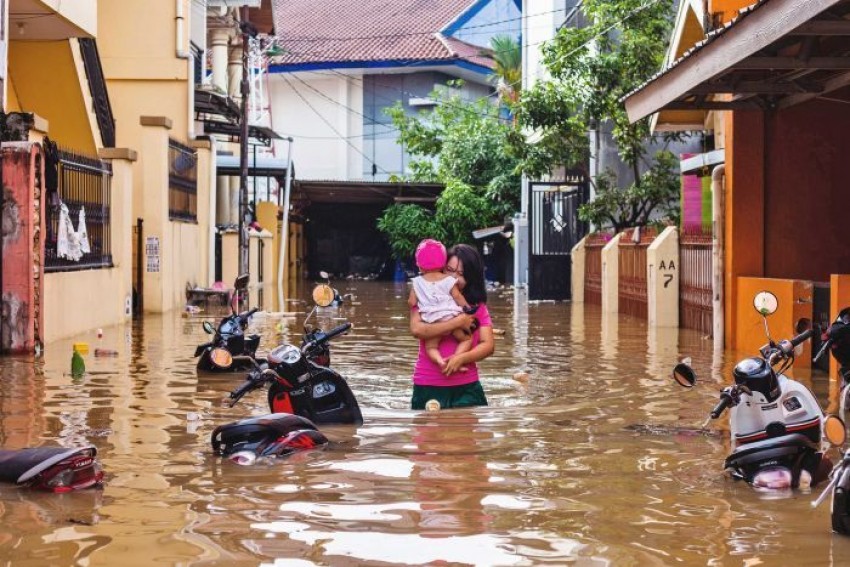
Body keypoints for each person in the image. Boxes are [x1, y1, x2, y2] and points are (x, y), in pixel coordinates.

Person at [408, 243, 494, 410]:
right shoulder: (424, 299)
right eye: (449, 270)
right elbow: (417, 330)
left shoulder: (476, 306)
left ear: (471, 277)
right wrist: (458, 322)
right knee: (428, 436)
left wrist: (460, 359)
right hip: (428, 384)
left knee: (468, 436)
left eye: (461, 274)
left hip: (467, 386)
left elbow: (488, 345)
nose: (454, 278)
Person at [408, 239, 477, 370]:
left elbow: (412, 302)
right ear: (443, 265)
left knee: (431, 347)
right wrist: (467, 310)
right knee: (466, 339)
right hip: (451, 315)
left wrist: (419, 303)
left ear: (419, 266)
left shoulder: (417, 282)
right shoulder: (449, 280)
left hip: (432, 319)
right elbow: (457, 297)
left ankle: (441, 362)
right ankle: (456, 360)